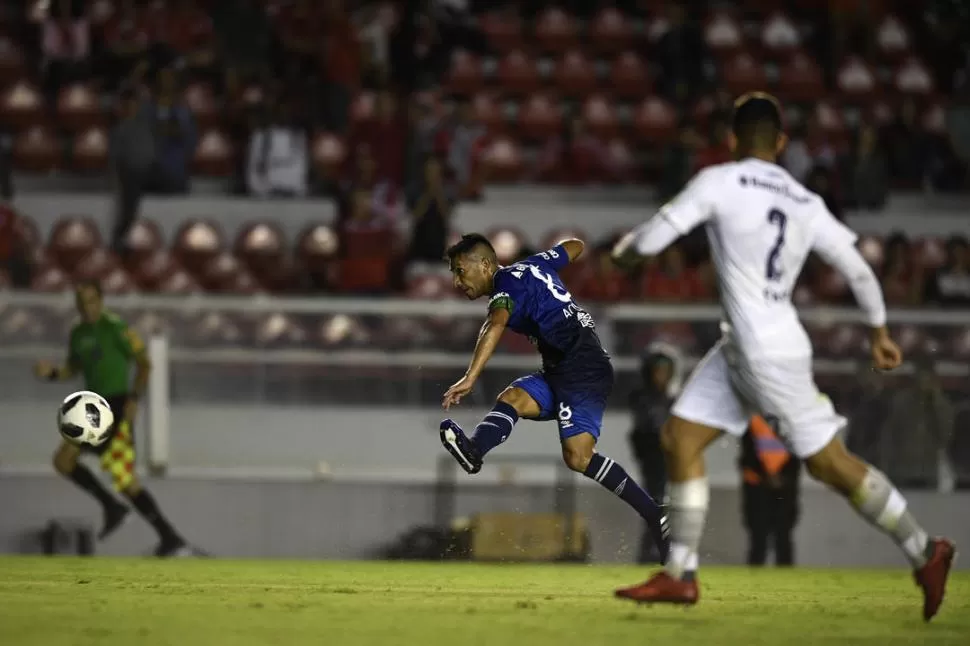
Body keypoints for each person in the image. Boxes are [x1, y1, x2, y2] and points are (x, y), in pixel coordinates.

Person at [610, 92, 955, 622]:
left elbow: (655, 236)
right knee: (680, 437)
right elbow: (860, 268)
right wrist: (878, 331)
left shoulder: (718, 181)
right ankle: (679, 575)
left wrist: (627, 251)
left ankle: (925, 551)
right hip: (747, 346)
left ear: (732, 139)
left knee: (829, 465)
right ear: (782, 143)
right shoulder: (804, 201)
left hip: (766, 354)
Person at [438, 234, 668, 557]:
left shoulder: (505, 287)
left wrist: (470, 377)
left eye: (461, 271)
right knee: (514, 397)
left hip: (582, 368)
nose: (457, 280)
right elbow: (577, 246)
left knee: (578, 457)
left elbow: (494, 325)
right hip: (562, 368)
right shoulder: (533, 266)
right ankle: (475, 450)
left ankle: (654, 513)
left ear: (486, 265)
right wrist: (556, 256)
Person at [34, 282, 188, 557]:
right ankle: (169, 536)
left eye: (92, 301)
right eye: (81, 302)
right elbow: (73, 368)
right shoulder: (78, 334)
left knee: (65, 459)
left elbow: (145, 364)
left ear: (101, 301)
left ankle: (115, 508)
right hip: (93, 405)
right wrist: (53, 373)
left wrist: (134, 399)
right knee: (125, 481)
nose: (87, 307)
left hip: (114, 404)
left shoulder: (116, 328)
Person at [628, 345, 678, 563]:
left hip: (671, 461)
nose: (662, 375)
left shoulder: (672, 399)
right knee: (657, 504)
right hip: (654, 460)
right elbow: (648, 430)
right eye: (658, 370)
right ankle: (654, 552)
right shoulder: (642, 398)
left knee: (667, 506)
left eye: (666, 370)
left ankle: (662, 551)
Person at [739, 414, 801, 566]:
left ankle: (786, 579)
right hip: (757, 485)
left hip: (784, 485)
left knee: (783, 535)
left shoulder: (791, 418)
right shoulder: (752, 418)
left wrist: (783, 476)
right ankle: (753, 579)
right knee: (758, 537)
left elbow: (797, 451)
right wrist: (766, 475)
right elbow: (748, 450)